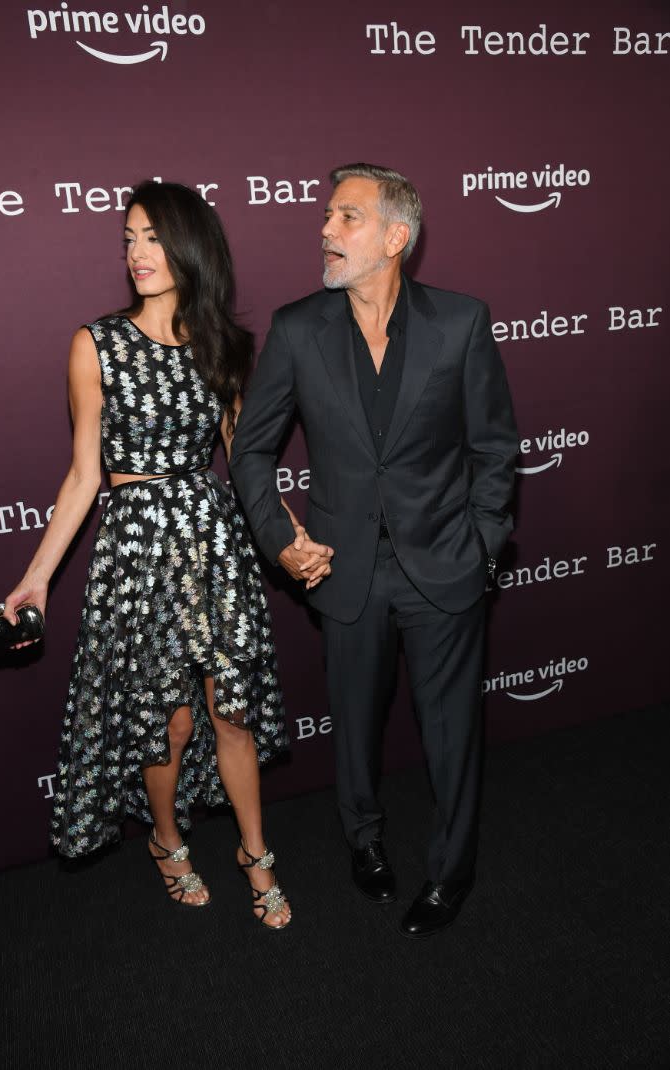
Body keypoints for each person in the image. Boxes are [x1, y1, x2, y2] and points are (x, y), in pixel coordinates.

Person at [3, 181, 330, 928]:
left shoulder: (223, 343)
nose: (136, 252)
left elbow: (246, 465)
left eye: (150, 236)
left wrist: (291, 540)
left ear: (188, 244)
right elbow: (85, 476)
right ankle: (167, 838)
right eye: (127, 238)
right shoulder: (96, 343)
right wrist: (36, 579)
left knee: (233, 712)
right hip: (138, 549)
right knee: (169, 721)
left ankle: (255, 852)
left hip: (212, 543)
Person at [230, 163, 518, 938]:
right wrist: (279, 540)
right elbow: (251, 452)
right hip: (341, 569)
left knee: (453, 733)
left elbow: (495, 449)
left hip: (443, 568)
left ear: (395, 237)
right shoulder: (297, 329)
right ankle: (363, 841)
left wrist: (483, 546)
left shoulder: (460, 322)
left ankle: (450, 872)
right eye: (326, 215)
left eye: (345, 217)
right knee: (353, 726)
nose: (324, 229)